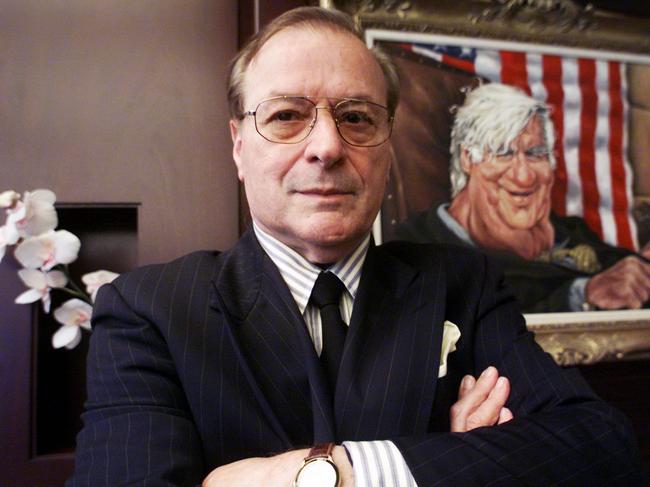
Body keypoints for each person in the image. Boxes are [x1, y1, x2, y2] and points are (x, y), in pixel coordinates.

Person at [67, 7, 644, 486]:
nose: (327, 147)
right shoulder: (148, 308)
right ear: (239, 146)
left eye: (358, 118)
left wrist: (341, 471)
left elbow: (603, 447)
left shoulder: (464, 284)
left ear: (387, 145)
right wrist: (453, 459)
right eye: (288, 115)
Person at [398, 83, 650, 313]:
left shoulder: (567, 231)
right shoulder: (418, 247)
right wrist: (583, 295)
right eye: (503, 153)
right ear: (467, 158)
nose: (524, 177)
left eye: (535, 153)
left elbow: (622, 274)